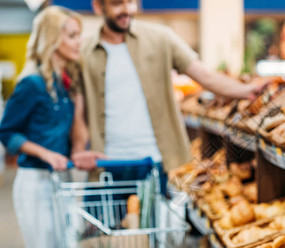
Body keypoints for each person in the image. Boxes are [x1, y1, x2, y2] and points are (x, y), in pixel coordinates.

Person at [73, 0, 266, 187]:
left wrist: (247, 91)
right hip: (105, 164)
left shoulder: (161, 39)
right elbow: (79, 111)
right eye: (117, 3)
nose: (127, 9)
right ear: (98, 6)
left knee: (154, 221)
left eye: (131, 2)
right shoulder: (83, 52)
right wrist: (79, 150)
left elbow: (206, 77)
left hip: (155, 162)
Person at [0, 6, 103, 248]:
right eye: (71, 35)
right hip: (35, 184)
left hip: (60, 184)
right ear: (52, 39)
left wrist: (82, 154)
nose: (78, 41)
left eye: (79, 35)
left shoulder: (65, 84)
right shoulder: (31, 84)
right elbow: (6, 132)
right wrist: (45, 154)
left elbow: (73, 135)